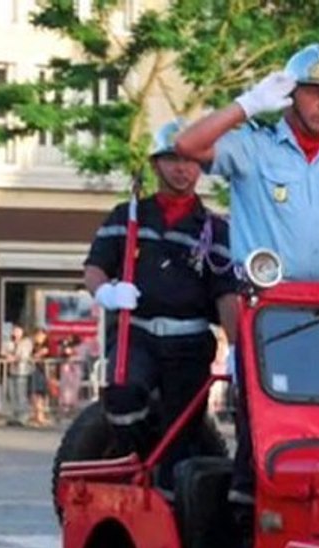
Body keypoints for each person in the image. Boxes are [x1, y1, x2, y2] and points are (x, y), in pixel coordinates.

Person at [174, 42, 319, 310]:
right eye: (314, 92)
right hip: (269, 305)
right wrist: (249, 104)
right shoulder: (254, 147)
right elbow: (187, 145)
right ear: (290, 94)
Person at [84, 119, 239, 493]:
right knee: (122, 395)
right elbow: (94, 267)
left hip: (189, 342)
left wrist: (237, 347)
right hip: (136, 334)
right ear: (155, 164)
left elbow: (226, 296)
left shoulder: (215, 229)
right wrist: (105, 293)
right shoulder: (128, 215)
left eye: (190, 160)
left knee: (181, 435)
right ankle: (133, 461)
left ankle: (166, 497)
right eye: (172, 159)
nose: (182, 169)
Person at [2, 324, 32, 424]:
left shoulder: (26, 342)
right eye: (14, 330)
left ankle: (23, 417)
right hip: (12, 370)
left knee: (21, 394)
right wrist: (8, 355)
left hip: (22, 371)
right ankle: (14, 416)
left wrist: (14, 358)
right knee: (12, 393)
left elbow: (24, 355)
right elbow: (4, 351)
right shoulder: (10, 342)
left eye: (18, 331)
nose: (16, 333)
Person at [28, 327, 51, 426]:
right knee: (33, 394)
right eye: (38, 335)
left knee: (40, 394)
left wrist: (35, 356)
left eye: (42, 335)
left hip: (41, 372)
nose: (39, 337)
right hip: (32, 371)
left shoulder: (45, 347)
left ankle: (41, 416)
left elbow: (37, 356)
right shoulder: (33, 346)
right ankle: (35, 415)